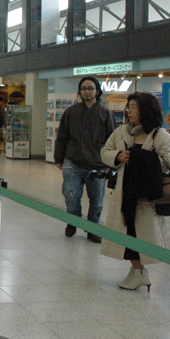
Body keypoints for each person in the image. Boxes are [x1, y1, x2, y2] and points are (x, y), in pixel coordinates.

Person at [100, 92, 170, 291]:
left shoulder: (160, 135)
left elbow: (168, 160)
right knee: (126, 232)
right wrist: (118, 156)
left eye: (134, 107)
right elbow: (104, 152)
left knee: (141, 234)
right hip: (125, 193)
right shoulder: (121, 132)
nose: (129, 111)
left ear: (146, 110)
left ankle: (140, 272)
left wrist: (142, 159)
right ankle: (138, 271)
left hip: (146, 194)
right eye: (129, 107)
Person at [55, 76, 116, 242]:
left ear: (97, 90)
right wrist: (59, 158)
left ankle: (93, 228)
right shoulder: (71, 112)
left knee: (97, 200)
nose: (87, 92)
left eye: (90, 88)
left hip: (98, 163)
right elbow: (62, 136)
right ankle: (73, 220)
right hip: (73, 161)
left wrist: (112, 162)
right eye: (83, 89)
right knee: (70, 194)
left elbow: (112, 139)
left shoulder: (105, 113)